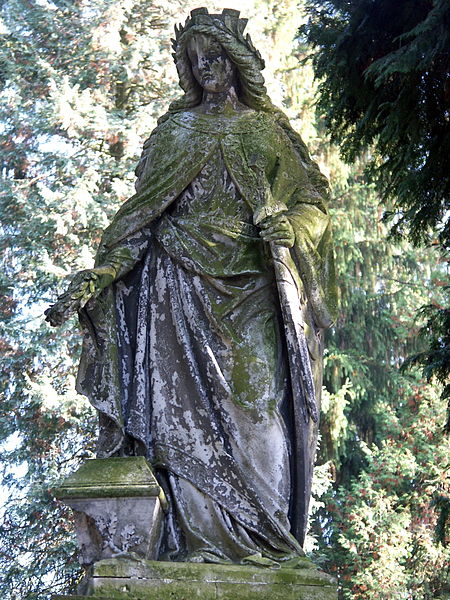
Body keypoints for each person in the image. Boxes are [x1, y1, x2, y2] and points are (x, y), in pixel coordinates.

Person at [45, 8, 337, 566]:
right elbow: (140, 223)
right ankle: (199, 547)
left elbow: (313, 202)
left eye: (217, 53)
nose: (207, 65)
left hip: (253, 289)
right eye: (195, 57)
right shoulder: (175, 133)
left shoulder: (266, 131)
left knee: (257, 408)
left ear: (239, 61)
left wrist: (293, 225)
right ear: (186, 68)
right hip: (177, 290)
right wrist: (101, 276)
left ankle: (269, 544)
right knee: (180, 421)